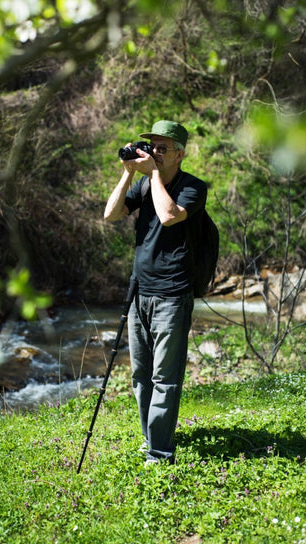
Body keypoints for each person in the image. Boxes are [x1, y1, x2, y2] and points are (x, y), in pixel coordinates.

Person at [104, 120, 207, 465]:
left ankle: (160, 454)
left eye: (163, 149)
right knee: (140, 375)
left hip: (172, 294)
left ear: (180, 153)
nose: (155, 153)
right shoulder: (146, 183)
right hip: (139, 293)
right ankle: (152, 438)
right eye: (152, 147)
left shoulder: (192, 187)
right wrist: (128, 173)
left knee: (165, 377)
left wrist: (152, 175)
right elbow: (111, 214)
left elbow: (168, 216)